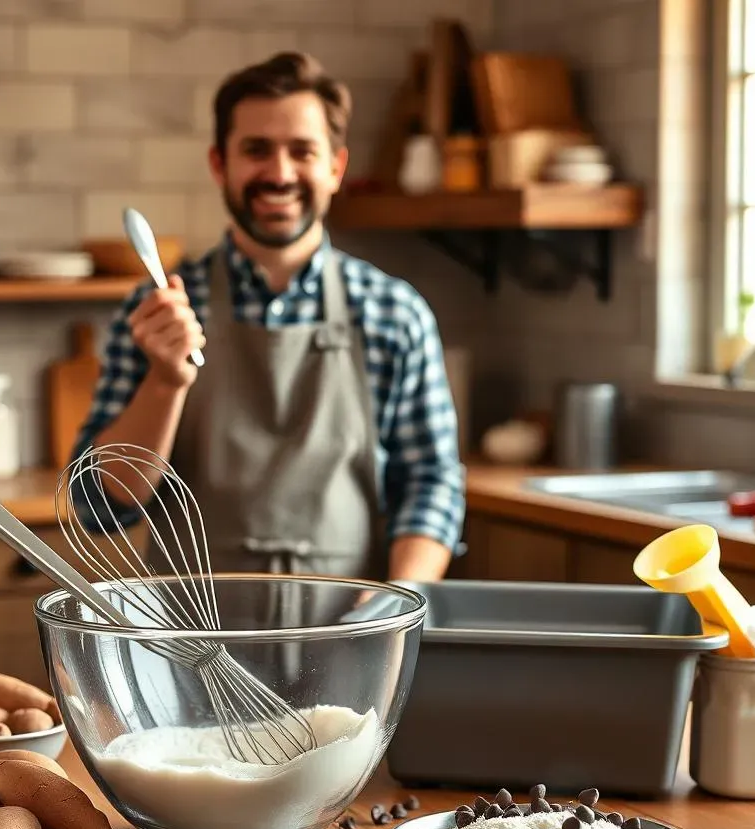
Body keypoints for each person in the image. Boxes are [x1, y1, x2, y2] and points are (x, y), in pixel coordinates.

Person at [72, 51, 465, 583]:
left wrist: (399, 599)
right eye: (256, 150)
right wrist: (165, 382)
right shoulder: (157, 313)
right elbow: (99, 508)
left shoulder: (395, 314)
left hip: (351, 638)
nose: (279, 173)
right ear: (219, 164)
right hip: (189, 646)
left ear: (335, 167)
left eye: (301, 151)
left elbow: (431, 482)